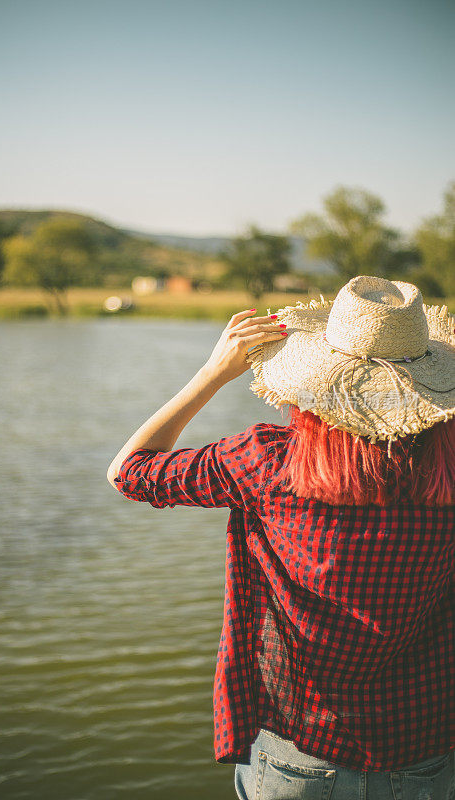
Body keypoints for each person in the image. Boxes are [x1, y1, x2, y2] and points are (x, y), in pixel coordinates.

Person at [106, 275, 455, 799]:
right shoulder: (447, 474)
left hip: (300, 752)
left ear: (318, 375)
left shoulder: (267, 462)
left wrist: (211, 374)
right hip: (425, 750)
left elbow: (129, 471)